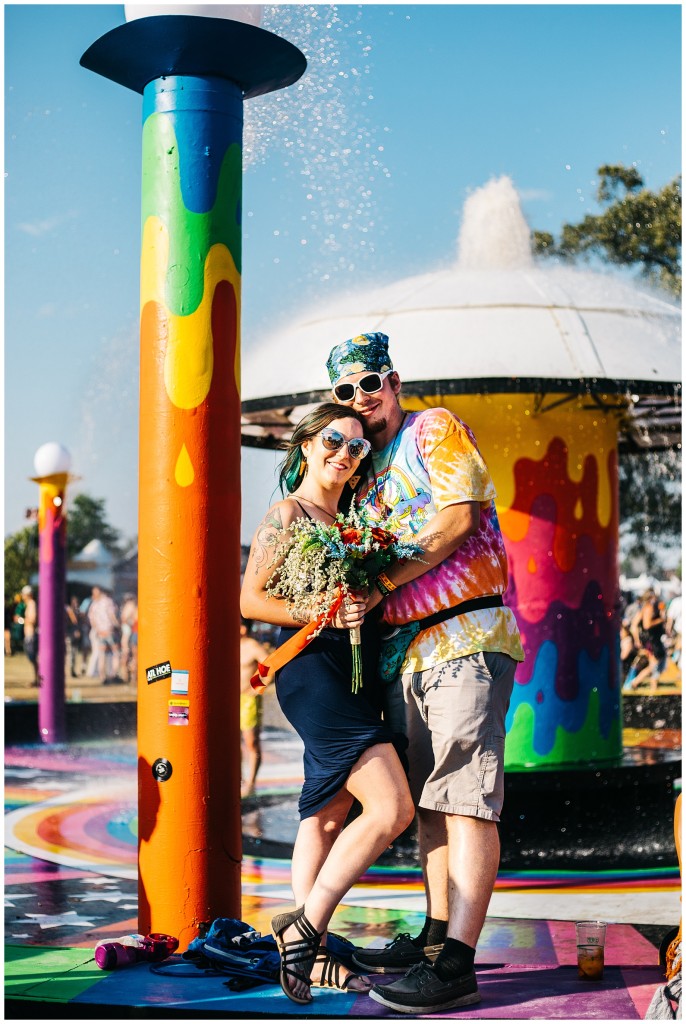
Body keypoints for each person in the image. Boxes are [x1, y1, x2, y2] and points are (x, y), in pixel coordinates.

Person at [326, 331, 524, 1014]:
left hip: (466, 635)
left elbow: (459, 520)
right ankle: (437, 940)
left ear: (394, 381)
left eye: (369, 382)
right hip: (411, 654)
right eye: (344, 391)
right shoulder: (364, 470)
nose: (360, 399)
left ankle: (458, 964)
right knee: (433, 803)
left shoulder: (431, 430)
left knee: (465, 796)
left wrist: (380, 582)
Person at [241, 402, 414, 1005]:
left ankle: (309, 960)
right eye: (335, 441)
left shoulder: (357, 522)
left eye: (358, 448)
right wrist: (322, 611)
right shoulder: (287, 513)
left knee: (327, 813)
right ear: (308, 445)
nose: (345, 454)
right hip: (312, 672)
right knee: (393, 808)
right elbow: (251, 599)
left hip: (357, 670)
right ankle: (305, 928)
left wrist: (366, 597)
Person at [239, 617, 271, 798]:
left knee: (251, 741)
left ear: (243, 629)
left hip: (248, 699)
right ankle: (238, 779)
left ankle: (251, 784)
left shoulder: (251, 646)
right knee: (232, 743)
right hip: (230, 699)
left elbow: (269, 665)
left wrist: (258, 686)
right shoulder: (228, 643)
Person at [629, 589, 667, 693]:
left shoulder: (644, 608)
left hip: (649, 640)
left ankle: (649, 685)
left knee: (653, 664)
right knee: (654, 664)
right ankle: (638, 683)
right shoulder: (648, 608)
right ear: (651, 597)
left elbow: (634, 625)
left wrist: (637, 639)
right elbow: (647, 625)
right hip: (651, 640)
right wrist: (661, 619)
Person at [87, 586, 121, 683]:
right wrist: (117, 626)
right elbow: (112, 615)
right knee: (116, 652)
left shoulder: (94, 604)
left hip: (100, 632)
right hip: (109, 631)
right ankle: (113, 675)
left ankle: (103, 677)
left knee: (102, 654)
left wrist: (97, 629)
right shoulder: (108, 602)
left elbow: (91, 619)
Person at [21, 585, 39, 686]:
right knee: (33, 659)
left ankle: (37, 680)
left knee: (33, 659)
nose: (22, 596)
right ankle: (36, 679)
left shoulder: (32, 604)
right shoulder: (29, 604)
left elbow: (32, 620)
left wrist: (21, 620)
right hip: (29, 635)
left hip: (31, 635)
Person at [66, 596, 86, 677]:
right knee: (70, 654)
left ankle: (72, 670)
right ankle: (70, 671)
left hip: (73, 636)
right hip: (70, 635)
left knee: (74, 653)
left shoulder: (76, 612)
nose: (76, 605)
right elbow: (74, 621)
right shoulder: (69, 611)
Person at [120, 593, 138, 683]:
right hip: (132, 634)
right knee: (132, 656)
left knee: (130, 656)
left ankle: (129, 676)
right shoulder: (132, 607)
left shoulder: (129, 607)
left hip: (132, 634)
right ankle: (130, 676)